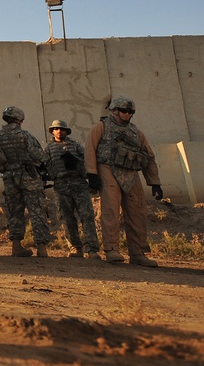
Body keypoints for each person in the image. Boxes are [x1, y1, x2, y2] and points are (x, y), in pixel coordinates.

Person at [84, 96, 162, 267]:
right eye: (124, 111)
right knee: (111, 210)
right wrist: (91, 173)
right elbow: (90, 149)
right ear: (114, 110)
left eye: (130, 112)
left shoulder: (136, 132)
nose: (127, 114)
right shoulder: (101, 127)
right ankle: (111, 249)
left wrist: (154, 182)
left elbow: (148, 155)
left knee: (137, 212)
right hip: (108, 169)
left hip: (131, 174)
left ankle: (137, 252)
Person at [0, 106, 52, 257]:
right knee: (37, 210)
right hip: (28, 177)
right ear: (19, 119)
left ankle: (16, 246)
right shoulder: (24, 135)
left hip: (9, 179)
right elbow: (39, 155)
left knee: (15, 212)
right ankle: (41, 249)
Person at [43, 119, 101, 258]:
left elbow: (88, 160)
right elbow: (44, 165)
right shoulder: (49, 148)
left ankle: (92, 249)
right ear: (52, 131)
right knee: (67, 218)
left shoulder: (75, 146)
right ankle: (75, 248)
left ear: (66, 131)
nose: (59, 131)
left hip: (79, 183)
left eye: (61, 129)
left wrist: (75, 162)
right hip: (61, 185)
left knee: (87, 216)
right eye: (56, 129)